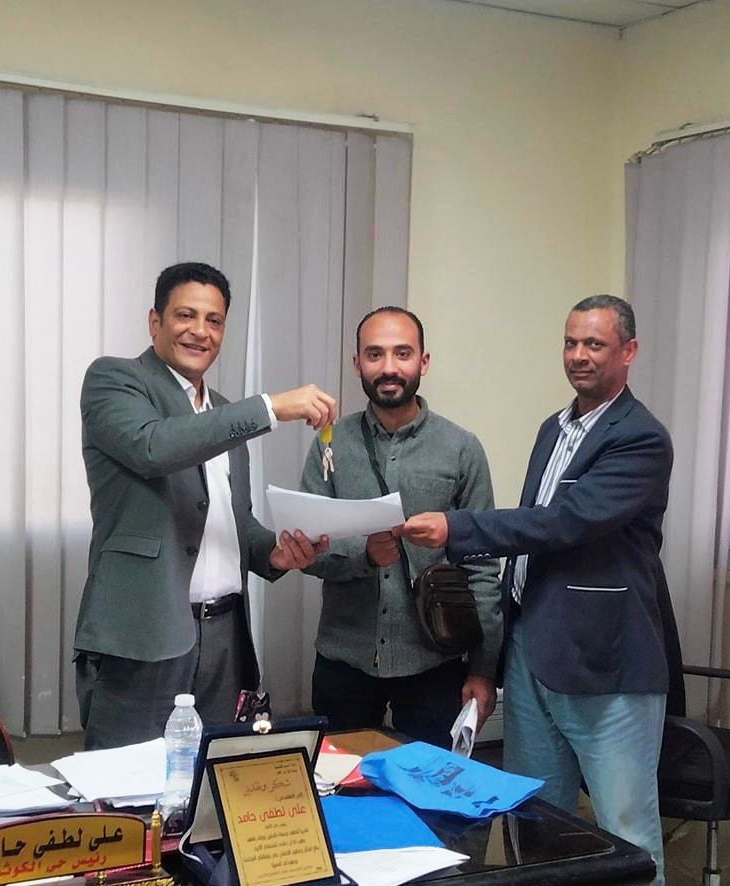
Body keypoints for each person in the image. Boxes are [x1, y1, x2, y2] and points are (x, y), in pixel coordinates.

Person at [398, 295, 681, 885]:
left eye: (595, 344)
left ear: (629, 351)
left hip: (606, 664)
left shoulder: (641, 438)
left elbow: (564, 523)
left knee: (626, 832)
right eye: (571, 342)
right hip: (532, 653)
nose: (579, 356)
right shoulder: (554, 429)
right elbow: (534, 538)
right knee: (538, 824)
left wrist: (458, 529)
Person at [74, 261, 338, 750]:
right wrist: (269, 407)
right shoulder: (115, 379)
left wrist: (275, 552)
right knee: (127, 784)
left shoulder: (223, 410)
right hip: (144, 634)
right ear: (155, 321)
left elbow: (232, 522)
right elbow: (152, 448)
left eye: (214, 321)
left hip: (225, 638)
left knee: (213, 783)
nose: (200, 331)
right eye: (186, 315)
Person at [300, 307, 501, 748]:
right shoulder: (330, 444)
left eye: (402, 353)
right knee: (340, 782)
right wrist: (364, 555)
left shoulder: (462, 449)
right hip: (344, 662)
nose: (389, 367)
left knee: (428, 786)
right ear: (357, 363)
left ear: (423, 362)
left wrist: (483, 670)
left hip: (435, 664)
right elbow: (307, 552)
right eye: (375, 354)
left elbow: (483, 568)